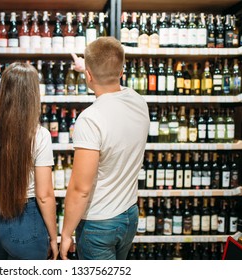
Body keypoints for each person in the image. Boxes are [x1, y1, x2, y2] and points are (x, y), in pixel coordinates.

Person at [59, 37, 150, 260]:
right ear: (122, 71)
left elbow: (81, 188)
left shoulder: (90, 119)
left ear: (88, 75)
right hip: (129, 215)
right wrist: (89, 67)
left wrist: (66, 233)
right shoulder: (139, 101)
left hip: (98, 223)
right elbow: (109, 79)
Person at [0, 62, 58, 260]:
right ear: (32, 95)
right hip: (26, 222)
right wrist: (54, 238)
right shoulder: (39, 135)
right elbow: (44, 195)